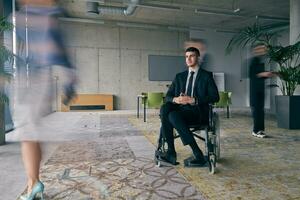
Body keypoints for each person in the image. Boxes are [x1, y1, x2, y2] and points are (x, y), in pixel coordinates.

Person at [14, 1, 76, 199]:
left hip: (31, 80)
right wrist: (69, 81)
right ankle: (33, 181)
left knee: (27, 134)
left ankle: (34, 184)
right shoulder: (43, 14)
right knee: (31, 134)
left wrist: (69, 80)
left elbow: (52, 46)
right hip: (38, 78)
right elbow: (59, 48)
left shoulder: (38, 14)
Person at [159, 47, 219, 167]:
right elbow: (168, 96)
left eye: (191, 56)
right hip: (181, 111)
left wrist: (194, 100)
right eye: (186, 56)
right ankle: (175, 151)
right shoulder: (179, 76)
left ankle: (180, 153)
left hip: (198, 112)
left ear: (198, 58)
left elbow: (215, 97)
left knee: (172, 115)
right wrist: (176, 99)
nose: (188, 59)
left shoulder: (206, 76)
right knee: (166, 109)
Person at [249, 44, 276, 138]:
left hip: (261, 90)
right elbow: (253, 75)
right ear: (255, 50)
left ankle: (260, 130)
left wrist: (267, 75)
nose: (263, 50)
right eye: (260, 48)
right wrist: (264, 74)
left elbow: (260, 76)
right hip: (255, 91)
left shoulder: (261, 61)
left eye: (264, 49)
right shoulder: (253, 61)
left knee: (261, 111)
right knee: (257, 111)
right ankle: (255, 130)